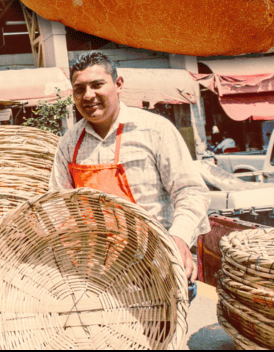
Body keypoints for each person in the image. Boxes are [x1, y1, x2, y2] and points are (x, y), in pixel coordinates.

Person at [49, 51, 210, 305]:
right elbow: (59, 206)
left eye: (97, 84)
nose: (88, 95)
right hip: (101, 276)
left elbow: (190, 192)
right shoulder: (69, 142)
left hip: (158, 265)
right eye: (80, 89)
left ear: (118, 84)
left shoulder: (155, 130)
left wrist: (178, 239)